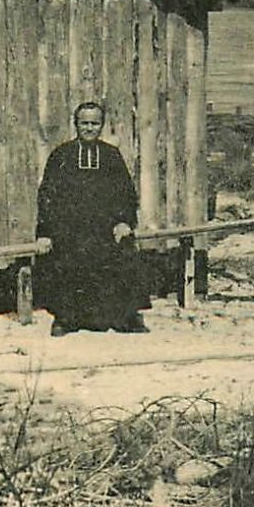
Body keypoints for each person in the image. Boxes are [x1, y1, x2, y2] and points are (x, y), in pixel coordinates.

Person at [34, 102, 150, 335]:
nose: (89, 128)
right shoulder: (62, 155)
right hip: (70, 229)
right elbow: (47, 195)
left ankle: (125, 318)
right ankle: (66, 319)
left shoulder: (111, 155)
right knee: (68, 262)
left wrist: (124, 221)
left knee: (122, 255)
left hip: (105, 228)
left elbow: (125, 193)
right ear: (76, 124)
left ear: (101, 125)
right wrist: (45, 232)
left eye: (94, 123)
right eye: (84, 123)